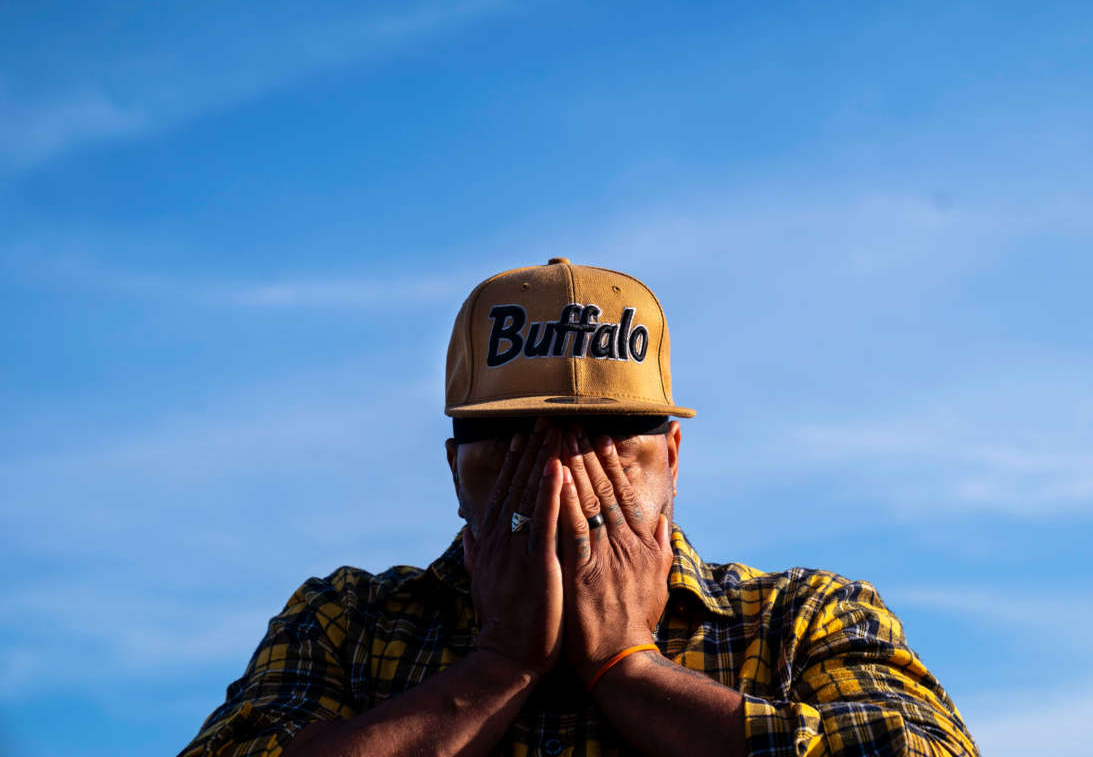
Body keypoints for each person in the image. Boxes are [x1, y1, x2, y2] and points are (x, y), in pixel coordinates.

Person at [179, 258, 979, 757]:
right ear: (459, 468)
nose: (561, 472)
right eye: (515, 439)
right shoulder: (346, 620)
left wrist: (630, 669)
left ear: (669, 459)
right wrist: (498, 666)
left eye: (606, 435)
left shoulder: (802, 619)